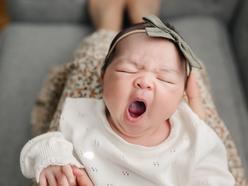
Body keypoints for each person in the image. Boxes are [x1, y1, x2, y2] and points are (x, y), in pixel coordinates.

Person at [20, 0, 235, 185]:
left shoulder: (195, 137)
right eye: (128, 70)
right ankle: (130, 22)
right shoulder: (83, 116)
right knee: (97, 61)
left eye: (164, 78)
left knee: (185, 67)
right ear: (102, 80)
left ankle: (116, 25)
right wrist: (53, 160)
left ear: (181, 97)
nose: (144, 81)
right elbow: (45, 145)